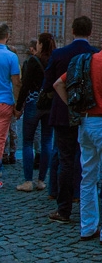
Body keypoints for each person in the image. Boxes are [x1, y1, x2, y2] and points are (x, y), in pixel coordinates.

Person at [54, 32, 102, 244]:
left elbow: (58, 83)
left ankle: (87, 227)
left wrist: (72, 107)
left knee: (88, 176)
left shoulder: (86, 60)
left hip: (84, 122)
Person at [41, 16, 96, 224]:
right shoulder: (95, 54)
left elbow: (47, 86)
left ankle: (63, 209)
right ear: (90, 33)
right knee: (87, 161)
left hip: (63, 114)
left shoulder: (59, 54)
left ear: (72, 30)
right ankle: (85, 204)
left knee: (65, 160)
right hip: (89, 115)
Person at [15, 32, 56, 192]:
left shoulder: (33, 61)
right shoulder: (54, 60)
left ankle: (27, 181)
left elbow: (25, 86)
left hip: (33, 102)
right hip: (49, 104)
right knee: (47, 142)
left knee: (27, 142)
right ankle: (41, 180)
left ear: (41, 44)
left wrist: (19, 107)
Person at [0, 23, 20, 188]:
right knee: (1, 139)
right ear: (7, 36)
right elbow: (16, 83)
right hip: (5, 101)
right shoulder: (11, 57)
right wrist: (18, 105)